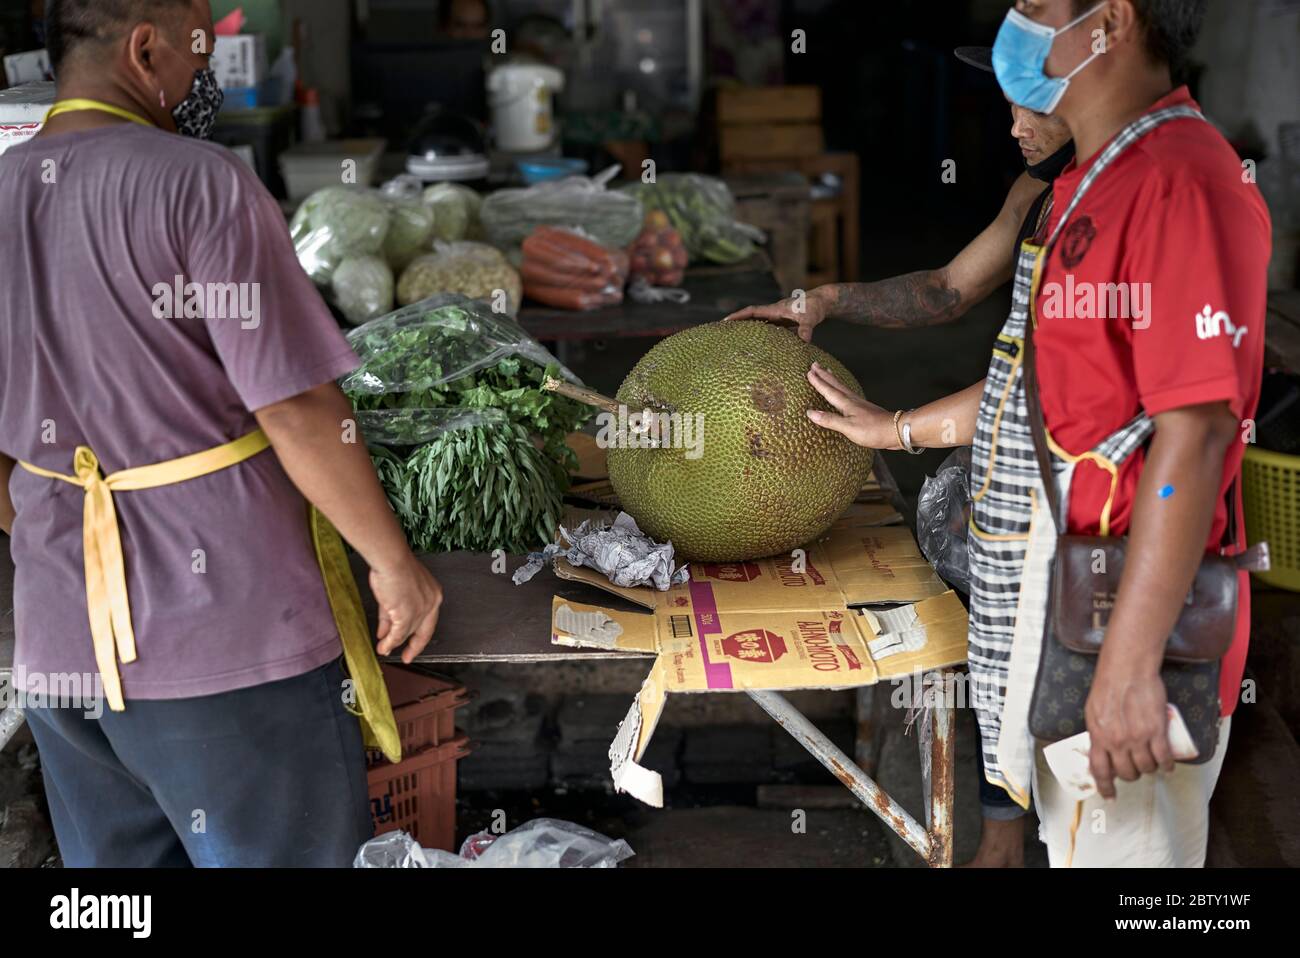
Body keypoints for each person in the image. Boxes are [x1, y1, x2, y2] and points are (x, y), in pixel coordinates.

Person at [793, 0, 1268, 867]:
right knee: (1075, 845)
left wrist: (1127, 666)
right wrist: (893, 425)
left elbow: (1193, 438)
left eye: (1037, 5)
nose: (1015, 19)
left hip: (1129, 624)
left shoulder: (1181, 181)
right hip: (1064, 605)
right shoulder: (1091, 185)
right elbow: (1037, 395)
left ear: (1110, 22)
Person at [0, 0, 443, 866]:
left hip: (61, 650)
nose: (205, 76)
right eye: (201, 52)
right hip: (229, 649)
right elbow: (296, 410)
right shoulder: (197, 180)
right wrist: (396, 568)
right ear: (143, 48)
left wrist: (41, 532)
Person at [728, 44, 1075, 868]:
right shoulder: (1039, 190)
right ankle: (1001, 827)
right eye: (1008, 102)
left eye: (1031, 103)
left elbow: (1050, 385)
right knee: (971, 565)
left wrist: (902, 428)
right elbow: (949, 289)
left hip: (1084, 480)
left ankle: (1025, 819)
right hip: (1019, 450)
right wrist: (824, 303)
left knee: (1041, 649)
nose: (1014, 125)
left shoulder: (1128, 203)